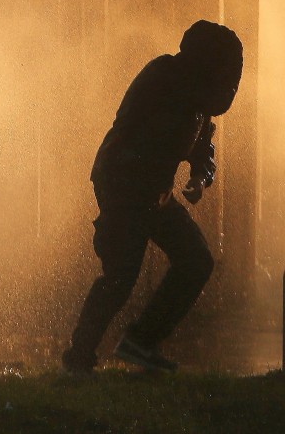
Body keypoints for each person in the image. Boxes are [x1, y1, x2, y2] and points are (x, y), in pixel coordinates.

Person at [61, 20, 243, 375]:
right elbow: (135, 130)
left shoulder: (198, 103)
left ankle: (140, 342)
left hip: (153, 194)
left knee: (195, 261)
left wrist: (198, 179)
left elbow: (204, 149)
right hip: (122, 184)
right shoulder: (162, 77)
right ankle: (78, 357)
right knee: (120, 275)